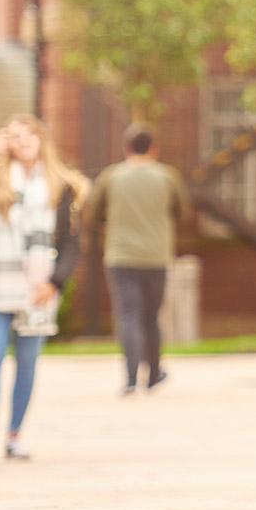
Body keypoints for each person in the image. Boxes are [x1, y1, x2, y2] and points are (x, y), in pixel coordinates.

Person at [0, 116, 88, 461]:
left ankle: (15, 435)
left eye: (30, 133)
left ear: (43, 138)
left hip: (38, 287)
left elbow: (71, 243)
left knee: (27, 361)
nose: (24, 140)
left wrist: (55, 281)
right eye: (14, 136)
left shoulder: (61, 186)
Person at [91, 128, 190, 395]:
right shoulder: (168, 176)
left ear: (126, 148)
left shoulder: (111, 176)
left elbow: (94, 212)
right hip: (156, 257)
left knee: (128, 316)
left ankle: (132, 378)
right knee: (151, 317)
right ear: (154, 148)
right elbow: (181, 211)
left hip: (121, 257)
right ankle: (155, 373)